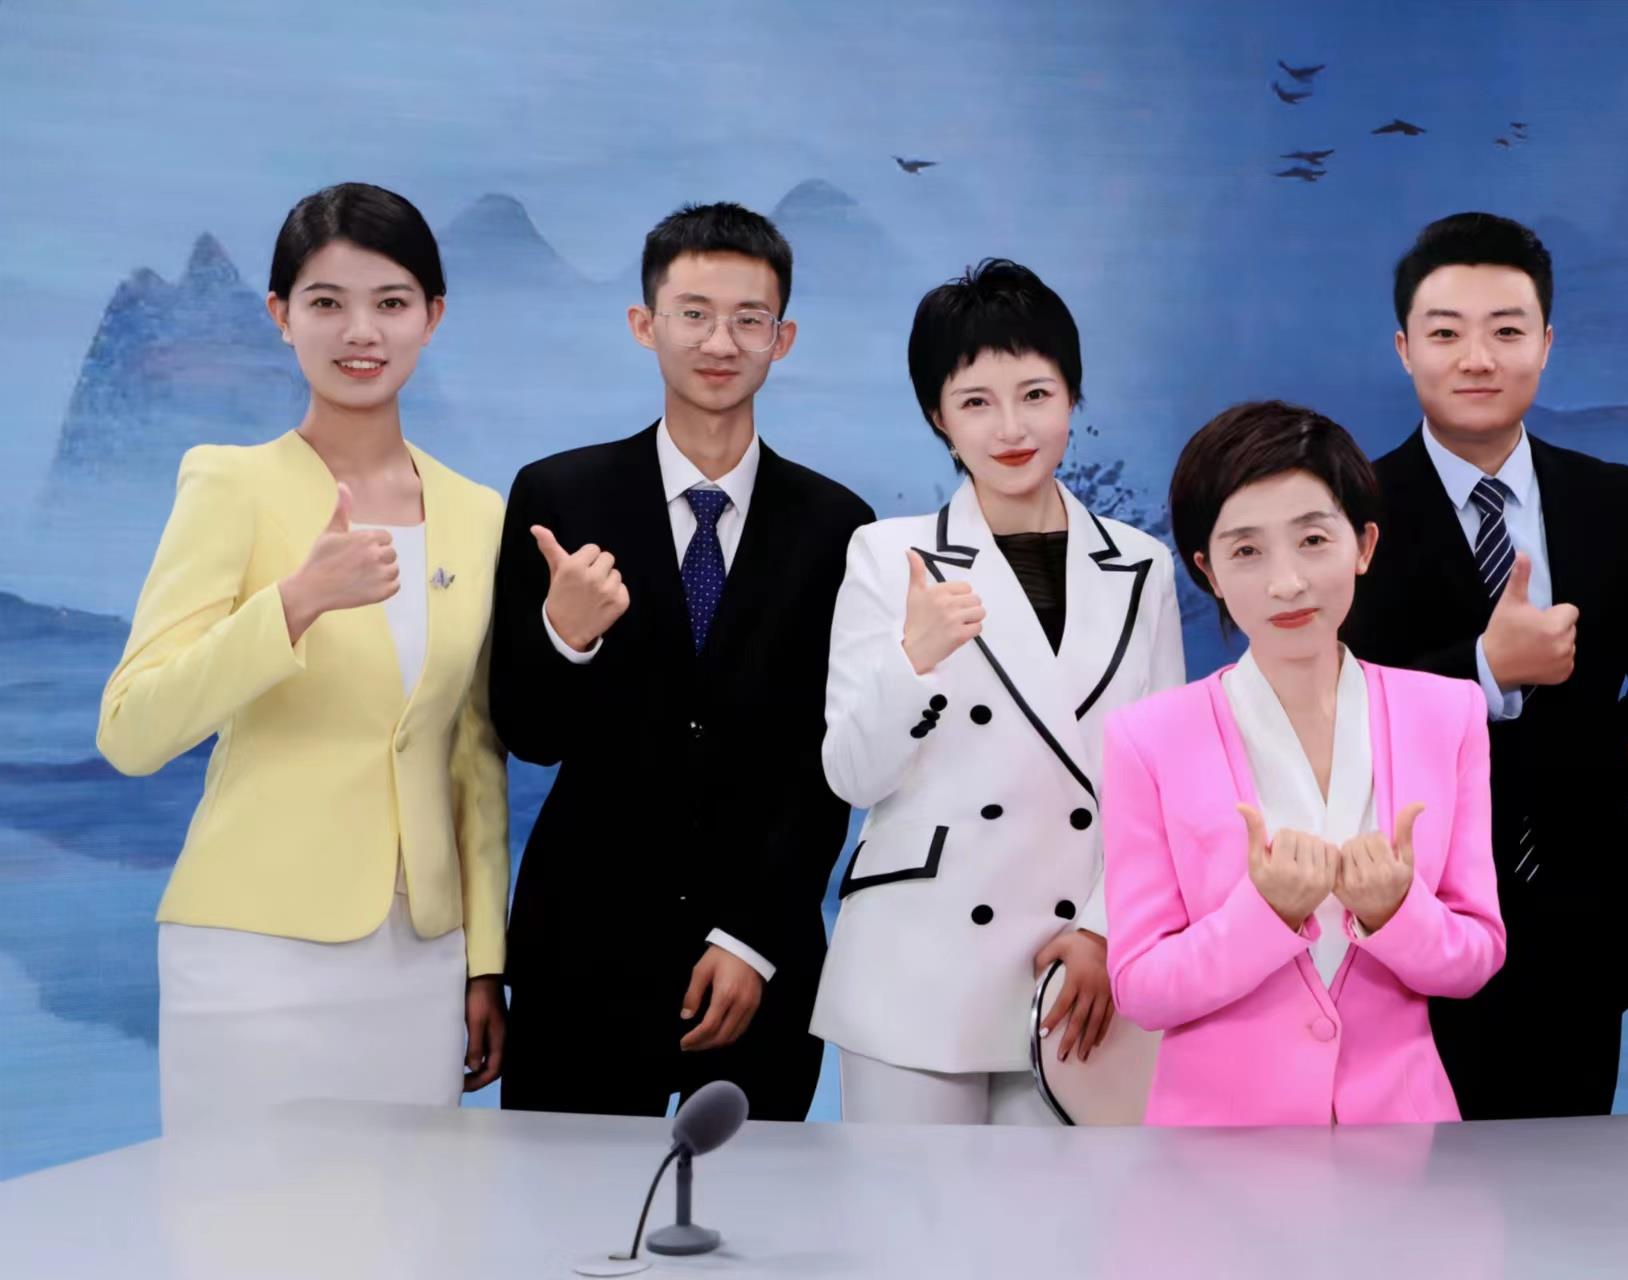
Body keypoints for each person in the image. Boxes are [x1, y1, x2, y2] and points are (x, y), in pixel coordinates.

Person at [98, 182, 508, 1128]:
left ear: (433, 316)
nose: (360, 331)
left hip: (420, 956)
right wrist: (292, 605)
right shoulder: (229, 484)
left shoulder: (478, 513)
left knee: (413, 1211)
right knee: (239, 1210)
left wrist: (484, 959)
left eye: (391, 302)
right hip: (253, 949)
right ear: (281, 316)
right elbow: (130, 730)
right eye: (327, 302)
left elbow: (471, 755)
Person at [488, 202, 871, 1120]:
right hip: (581, 947)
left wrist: (755, 936)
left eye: (748, 319)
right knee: (556, 1202)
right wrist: (565, 633)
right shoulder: (558, 496)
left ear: (782, 338)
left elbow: (829, 763)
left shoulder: (837, 526)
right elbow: (526, 733)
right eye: (693, 313)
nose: (719, 342)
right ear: (644, 323)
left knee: (756, 1204)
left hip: (760, 962)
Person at [1339, 213, 1628, 1119]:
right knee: (1412, 1195)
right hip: (1403, 926)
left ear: (1546, 343)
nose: (1477, 358)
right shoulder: (1347, 510)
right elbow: (1328, 702)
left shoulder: (1617, 500)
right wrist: (1482, 669)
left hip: (1583, 925)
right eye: (1446, 333)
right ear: (1404, 348)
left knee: (1575, 1192)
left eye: (1506, 330)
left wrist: (1592, 777)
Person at [815, 259, 1184, 1123]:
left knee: (1067, 1210)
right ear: (937, 418)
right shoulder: (888, 554)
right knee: (909, 1209)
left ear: (1073, 398)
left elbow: (1160, 783)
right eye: (976, 401)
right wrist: (914, 659)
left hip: (1077, 966)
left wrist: (1105, 928)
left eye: (1036, 394)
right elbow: (850, 776)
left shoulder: (1141, 566)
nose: (1012, 428)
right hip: (919, 960)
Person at [1101, 400, 1504, 1126]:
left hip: (1403, 1139)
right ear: (1207, 570)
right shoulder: (1147, 738)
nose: (1285, 582)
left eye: (1313, 539)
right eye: (1246, 551)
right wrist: (1265, 913)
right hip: (1217, 1153)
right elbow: (1140, 989)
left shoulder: (1448, 714)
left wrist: (1396, 911)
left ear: (1364, 545)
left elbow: (1475, 959)